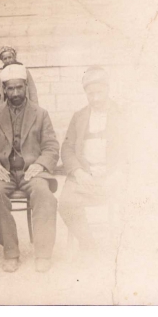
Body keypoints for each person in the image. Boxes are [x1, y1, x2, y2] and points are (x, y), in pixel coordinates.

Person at [0, 64, 59, 273]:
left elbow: (51, 146)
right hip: (3, 172)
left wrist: (39, 164)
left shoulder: (41, 114)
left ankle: (43, 254)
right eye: (10, 88)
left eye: (19, 88)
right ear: (4, 89)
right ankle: (11, 252)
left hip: (32, 172)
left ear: (26, 86)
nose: (15, 93)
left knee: (44, 194)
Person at [58, 66, 126, 255]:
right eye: (91, 94)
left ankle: (126, 252)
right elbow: (67, 148)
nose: (95, 98)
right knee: (65, 204)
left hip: (113, 176)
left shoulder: (122, 114)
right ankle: (89, 245)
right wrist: (78, 172)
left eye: (99, 93)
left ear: (108, 89)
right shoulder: (79, 117)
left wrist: (118, 173)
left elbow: (132, 150)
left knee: (136, 201)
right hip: (84, 176)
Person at [0, 46, 39, 110]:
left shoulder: (24, 72)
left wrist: (35, 110)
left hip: (23, 107)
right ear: (2, 60)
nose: (8, 60)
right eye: (5, 59)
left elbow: (32, 92)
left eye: (10, 57)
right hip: (4, 109)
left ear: (14, 57)